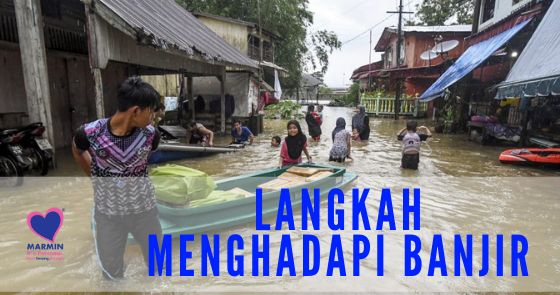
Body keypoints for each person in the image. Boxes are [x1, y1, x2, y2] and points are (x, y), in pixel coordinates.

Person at [71, 76, 162, 280]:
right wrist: (95, 177)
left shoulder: (151, 135)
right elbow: (77, 150)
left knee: (158, 268)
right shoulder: (90, 133)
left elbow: (142, 164)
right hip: (109, 215)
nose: (154, 116)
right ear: (136, 111)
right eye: (151, 110)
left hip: (145, 212)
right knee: (111, 276)